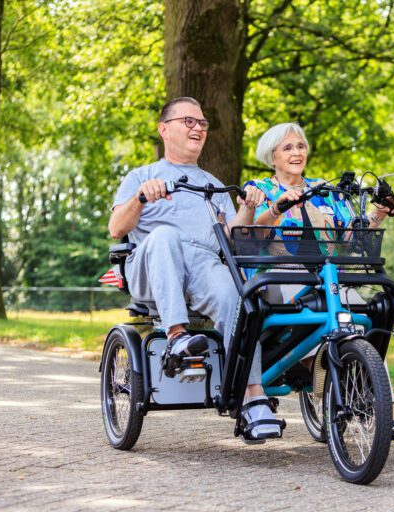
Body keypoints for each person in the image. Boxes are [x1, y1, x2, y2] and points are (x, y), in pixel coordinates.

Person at [108, 97, 282, 441]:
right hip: (151, 262)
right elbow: (116, 227)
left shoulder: (214, 184)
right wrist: (141, 198)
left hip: (202, 261)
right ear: (164, 129)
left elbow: (231, 241)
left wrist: (247, 209)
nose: (198, 128)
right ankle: (176, 338)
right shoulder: (141, 176)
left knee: (239, 299)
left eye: (202, 124)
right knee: (165, 236)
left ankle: (254, 398)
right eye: (188, 121)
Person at [244, 122, 394, 440]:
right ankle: (328, 377)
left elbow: (352, 237)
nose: (296, 152)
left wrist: (378, 213)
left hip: (327, 273)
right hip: (280, 272)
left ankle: (378, 406)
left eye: (301, 146)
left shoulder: (326, 190)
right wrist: (277, 208)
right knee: (312, 303)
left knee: (364, 318)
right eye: (288, 148)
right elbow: (252, 236)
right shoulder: (260, 188)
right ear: (272, 157)